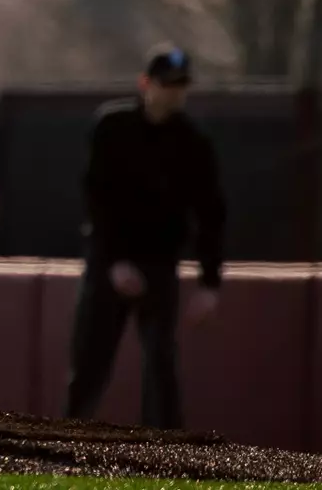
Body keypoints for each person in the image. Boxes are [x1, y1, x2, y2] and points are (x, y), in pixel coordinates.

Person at [64, 44, 225, 430]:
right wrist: (115, 261)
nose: (174, 93)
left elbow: (210, 212)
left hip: (158, 263)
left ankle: (166, 452)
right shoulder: (113, 128)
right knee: (89, 364)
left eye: (181, 86)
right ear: (145, 83)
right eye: (166, 84)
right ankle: (66, 443)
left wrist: (209, 281)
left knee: (161, 364)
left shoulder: (192, 142)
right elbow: (97, 200)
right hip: (109, 262)